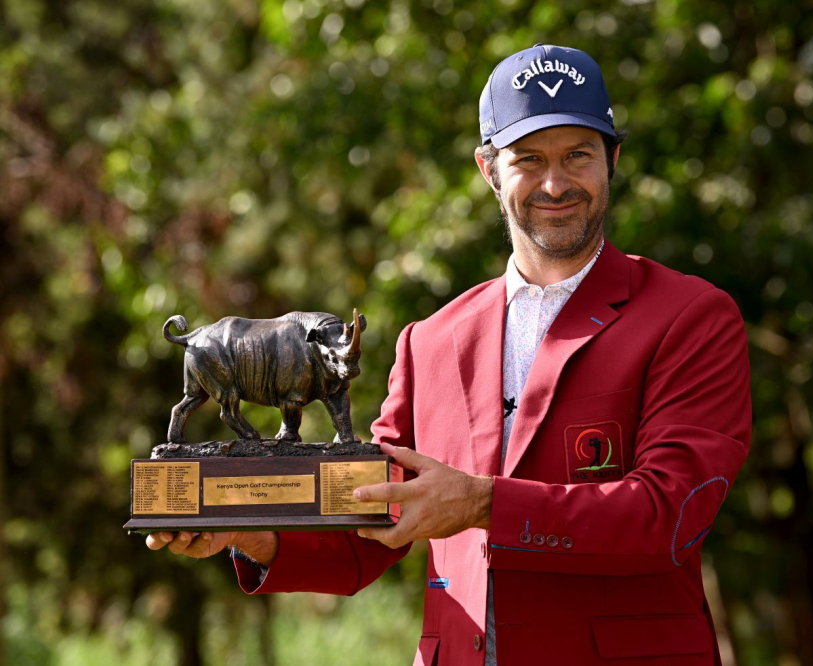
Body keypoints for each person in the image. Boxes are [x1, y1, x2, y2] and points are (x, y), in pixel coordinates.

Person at [148, 44, 752, 665]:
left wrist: (483, 501)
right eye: (528, 159)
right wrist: (252, 535)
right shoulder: (428, 341)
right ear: (489, 169)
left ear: (613, 159)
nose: (555, 182)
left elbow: (669, 514)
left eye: (578, 155)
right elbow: (370, 526)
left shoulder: (690, 316)